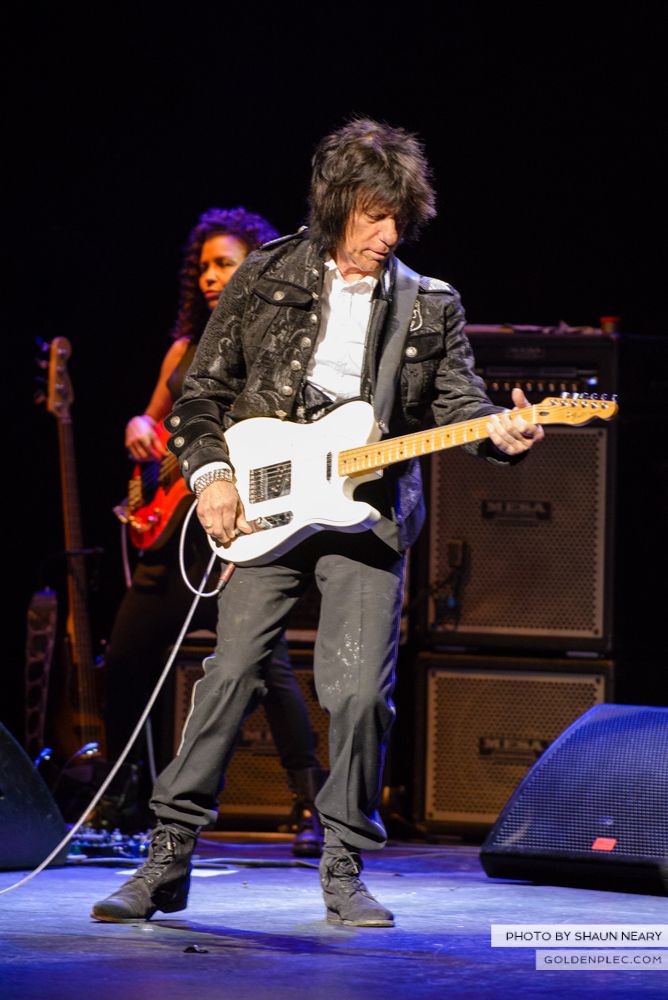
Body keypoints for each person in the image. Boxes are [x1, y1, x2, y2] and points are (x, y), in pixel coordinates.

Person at [92, 119, 543, 926]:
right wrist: (213, 477)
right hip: (266, 497)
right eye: (374, 216)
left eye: (400, 218)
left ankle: (343, 864)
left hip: (366, 513)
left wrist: (499, 436)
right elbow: (200, 395)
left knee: (359, 693)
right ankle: (168, 857)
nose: (389, 234)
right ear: (336, 205)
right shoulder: (265, 274)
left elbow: (461, 406)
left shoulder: (429, 303)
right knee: (229, 675)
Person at [103, 206, 326, 853]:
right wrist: (139, 428)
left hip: (231, 528)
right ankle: (124, 803)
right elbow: (153, 422)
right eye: (202, 266)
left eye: (223, 263)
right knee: (125, 661)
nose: (209, 276)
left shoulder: (279, 343)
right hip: (168, 530)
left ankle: (315, 804)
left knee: (265, 669)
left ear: (255, 264)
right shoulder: (184, 349)